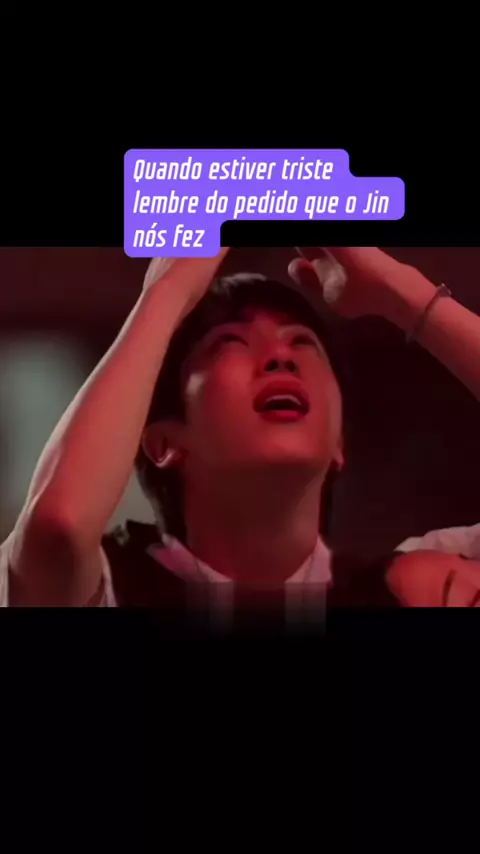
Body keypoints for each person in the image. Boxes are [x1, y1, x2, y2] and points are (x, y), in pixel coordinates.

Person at [2, 247, 480, 620]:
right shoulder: (113, 587)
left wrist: (400, 292)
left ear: (339, 444)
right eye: (231, 343)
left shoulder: (421, 586)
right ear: (164, 444)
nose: (280, 357)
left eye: (302, 342)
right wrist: (167, 291)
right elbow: (58, 526)